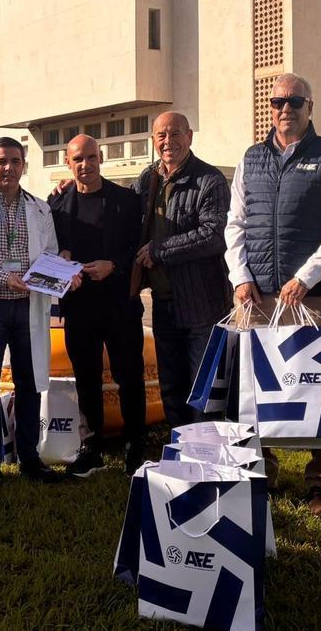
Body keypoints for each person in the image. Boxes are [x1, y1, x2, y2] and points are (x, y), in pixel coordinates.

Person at [223, 73, 321, 518]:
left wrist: (306, 277)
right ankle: (263, 470)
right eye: (277, 101)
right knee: (259, 389)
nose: (285, 108)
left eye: (295, 101)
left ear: (310, 106)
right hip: (257, 296)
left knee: (319, 387)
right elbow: (235, 224)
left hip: (313, 296)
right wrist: (240, 276)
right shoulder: (251, 158)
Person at [0, 136, 77, 485]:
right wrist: (3, 276)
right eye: (1, 161)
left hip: (27, 307)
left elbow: (49, 252)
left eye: (15, 161)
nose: (8, 168)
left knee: (30, 383)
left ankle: (30, 459)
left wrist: (63, 269)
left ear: (24, 166)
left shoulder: (39, 208)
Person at [48, 135, 146, 476]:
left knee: (129, 376)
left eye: (91, 157)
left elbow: (138, 248)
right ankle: (93, 446)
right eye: (78, 159)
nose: (85, 165)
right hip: (79, 307)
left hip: (120, 305)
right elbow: (51, 250)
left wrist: (114, 266)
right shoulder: (56, 204)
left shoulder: (126, 201)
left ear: (100, 158)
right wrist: (63, 263)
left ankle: (136, 443)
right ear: (68, 161)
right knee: (86, 378)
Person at [131, 112, 232, 428]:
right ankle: (179, 454)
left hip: (203, 304)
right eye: (161, 135)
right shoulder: (148, 180)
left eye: (175, 134)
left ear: (189, 137)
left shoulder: (209, 180)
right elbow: (121, 209)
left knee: (204, 391)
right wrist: (72, 186)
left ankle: (208, 458)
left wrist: (160, 250)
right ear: (153, 140)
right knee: (171, 387)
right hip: (163, 304)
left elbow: (215, 235)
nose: (167, 141)